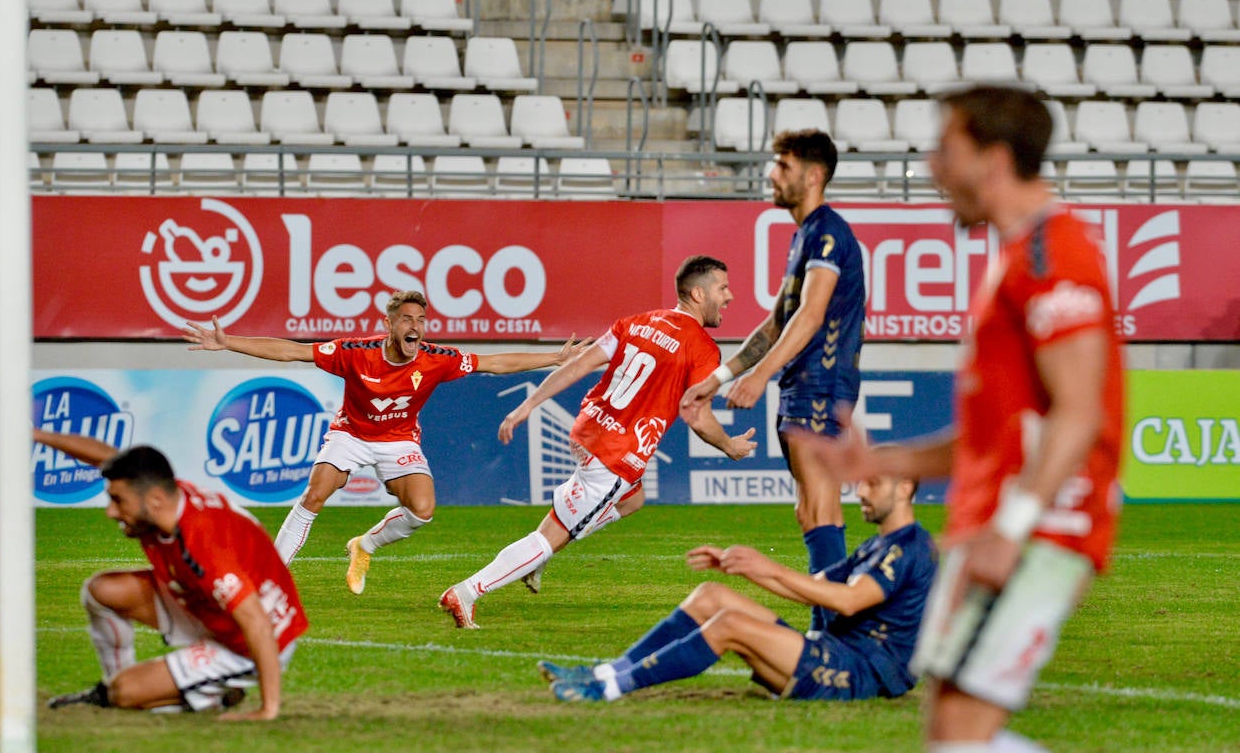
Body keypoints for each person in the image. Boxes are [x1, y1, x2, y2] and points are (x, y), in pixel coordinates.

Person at [803, 85, 1124, 753]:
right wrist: (885, 463)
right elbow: (996, 434)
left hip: (1041, 526)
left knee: (960, 733)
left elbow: (1080, 409)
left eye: (946, 149)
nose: (931, 166)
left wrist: (1012, 528)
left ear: (994, 160)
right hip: (1003, 521)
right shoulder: (1015, 254)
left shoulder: (1050, 254)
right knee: (951, 728)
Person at [182, 290, 587, 594]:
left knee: (423, 509)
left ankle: (364, 544)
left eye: (421, 319)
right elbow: (293, 352)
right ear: (390, 324)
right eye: (407, 319)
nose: (416, 326)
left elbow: (495, 364)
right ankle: (269, 579)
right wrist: (229, 341)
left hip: (398, 440)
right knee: (315, 494)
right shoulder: (355, 352)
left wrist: (553, 358)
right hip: (351, 433)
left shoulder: (435, 359)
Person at [439, 255, 759, 629]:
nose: (730, 296)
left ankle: (538, 559)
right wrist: (729, 446)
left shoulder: (636, 322)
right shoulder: (702, 348)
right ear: (697, 292)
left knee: (634, 499)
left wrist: (529, 404)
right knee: (550, 536)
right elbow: (699, 415)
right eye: (723, 288)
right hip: (615, 454)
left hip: (589, 429)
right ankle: (467, 591)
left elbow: (578, 365)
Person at [538, 472, 935, 703]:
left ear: (904, 489)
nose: (861, 492)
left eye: (874, 484)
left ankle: (607, 689)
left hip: (861, 672)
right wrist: (744, 568)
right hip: (835, 652)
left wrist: (766, 566)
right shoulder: (881, 542)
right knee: (712, 595)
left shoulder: (908, 549)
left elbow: (848, 601)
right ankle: (605, 671)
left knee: (728, 624)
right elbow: (814, 587)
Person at [681, 129, 867, 608]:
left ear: (813, 176)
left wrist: (760, 376)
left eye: (782, 166)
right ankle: (830, 628)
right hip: (802, 388)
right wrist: (716, 379)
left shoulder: (828, 233)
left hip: (822, 385)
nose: (771, 174)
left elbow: (811, 313)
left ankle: (833, 635)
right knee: (810, 511)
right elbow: (777, 321)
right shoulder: (805, 235)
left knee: (820, 507)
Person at [39, 429, 307, 721]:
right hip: (205, 602)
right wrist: (34, 434)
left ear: (154, 500)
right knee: (101, 591)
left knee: (126, 693)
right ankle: (118, 684)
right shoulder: (163, 494)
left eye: (118, 501)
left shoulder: (204, 546)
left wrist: (268, 709)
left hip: (248, 643)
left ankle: (210, 696)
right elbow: (107, 458)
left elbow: (257, 623)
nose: (111, 512)